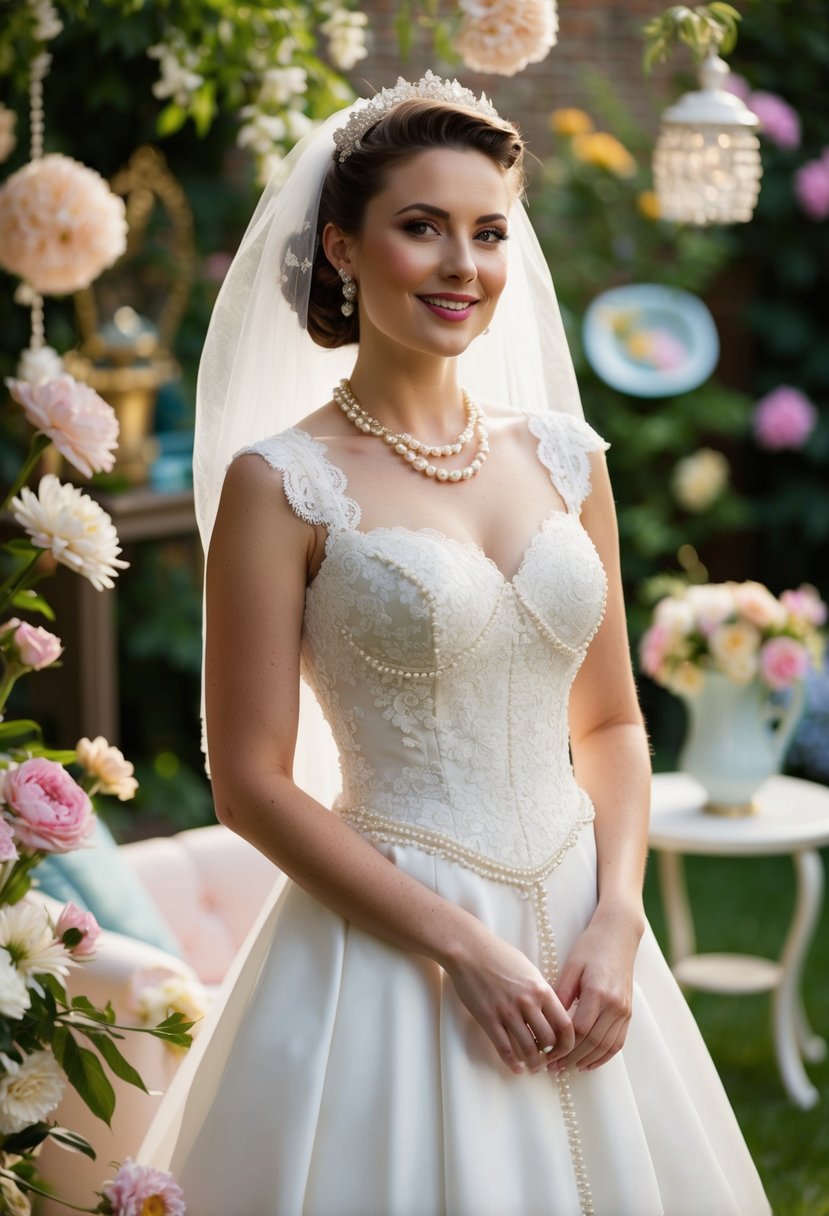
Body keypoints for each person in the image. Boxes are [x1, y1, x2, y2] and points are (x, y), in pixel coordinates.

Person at [139, 73, 770, 1216]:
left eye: (486, 232)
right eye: (419, 227)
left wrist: (619, 920)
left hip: (585, 924)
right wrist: (460, 950)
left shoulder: (570, 456)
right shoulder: (280, 483)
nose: (460, 266)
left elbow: (613, 721)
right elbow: (248, 782)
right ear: (342, 245)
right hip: (390, 946)